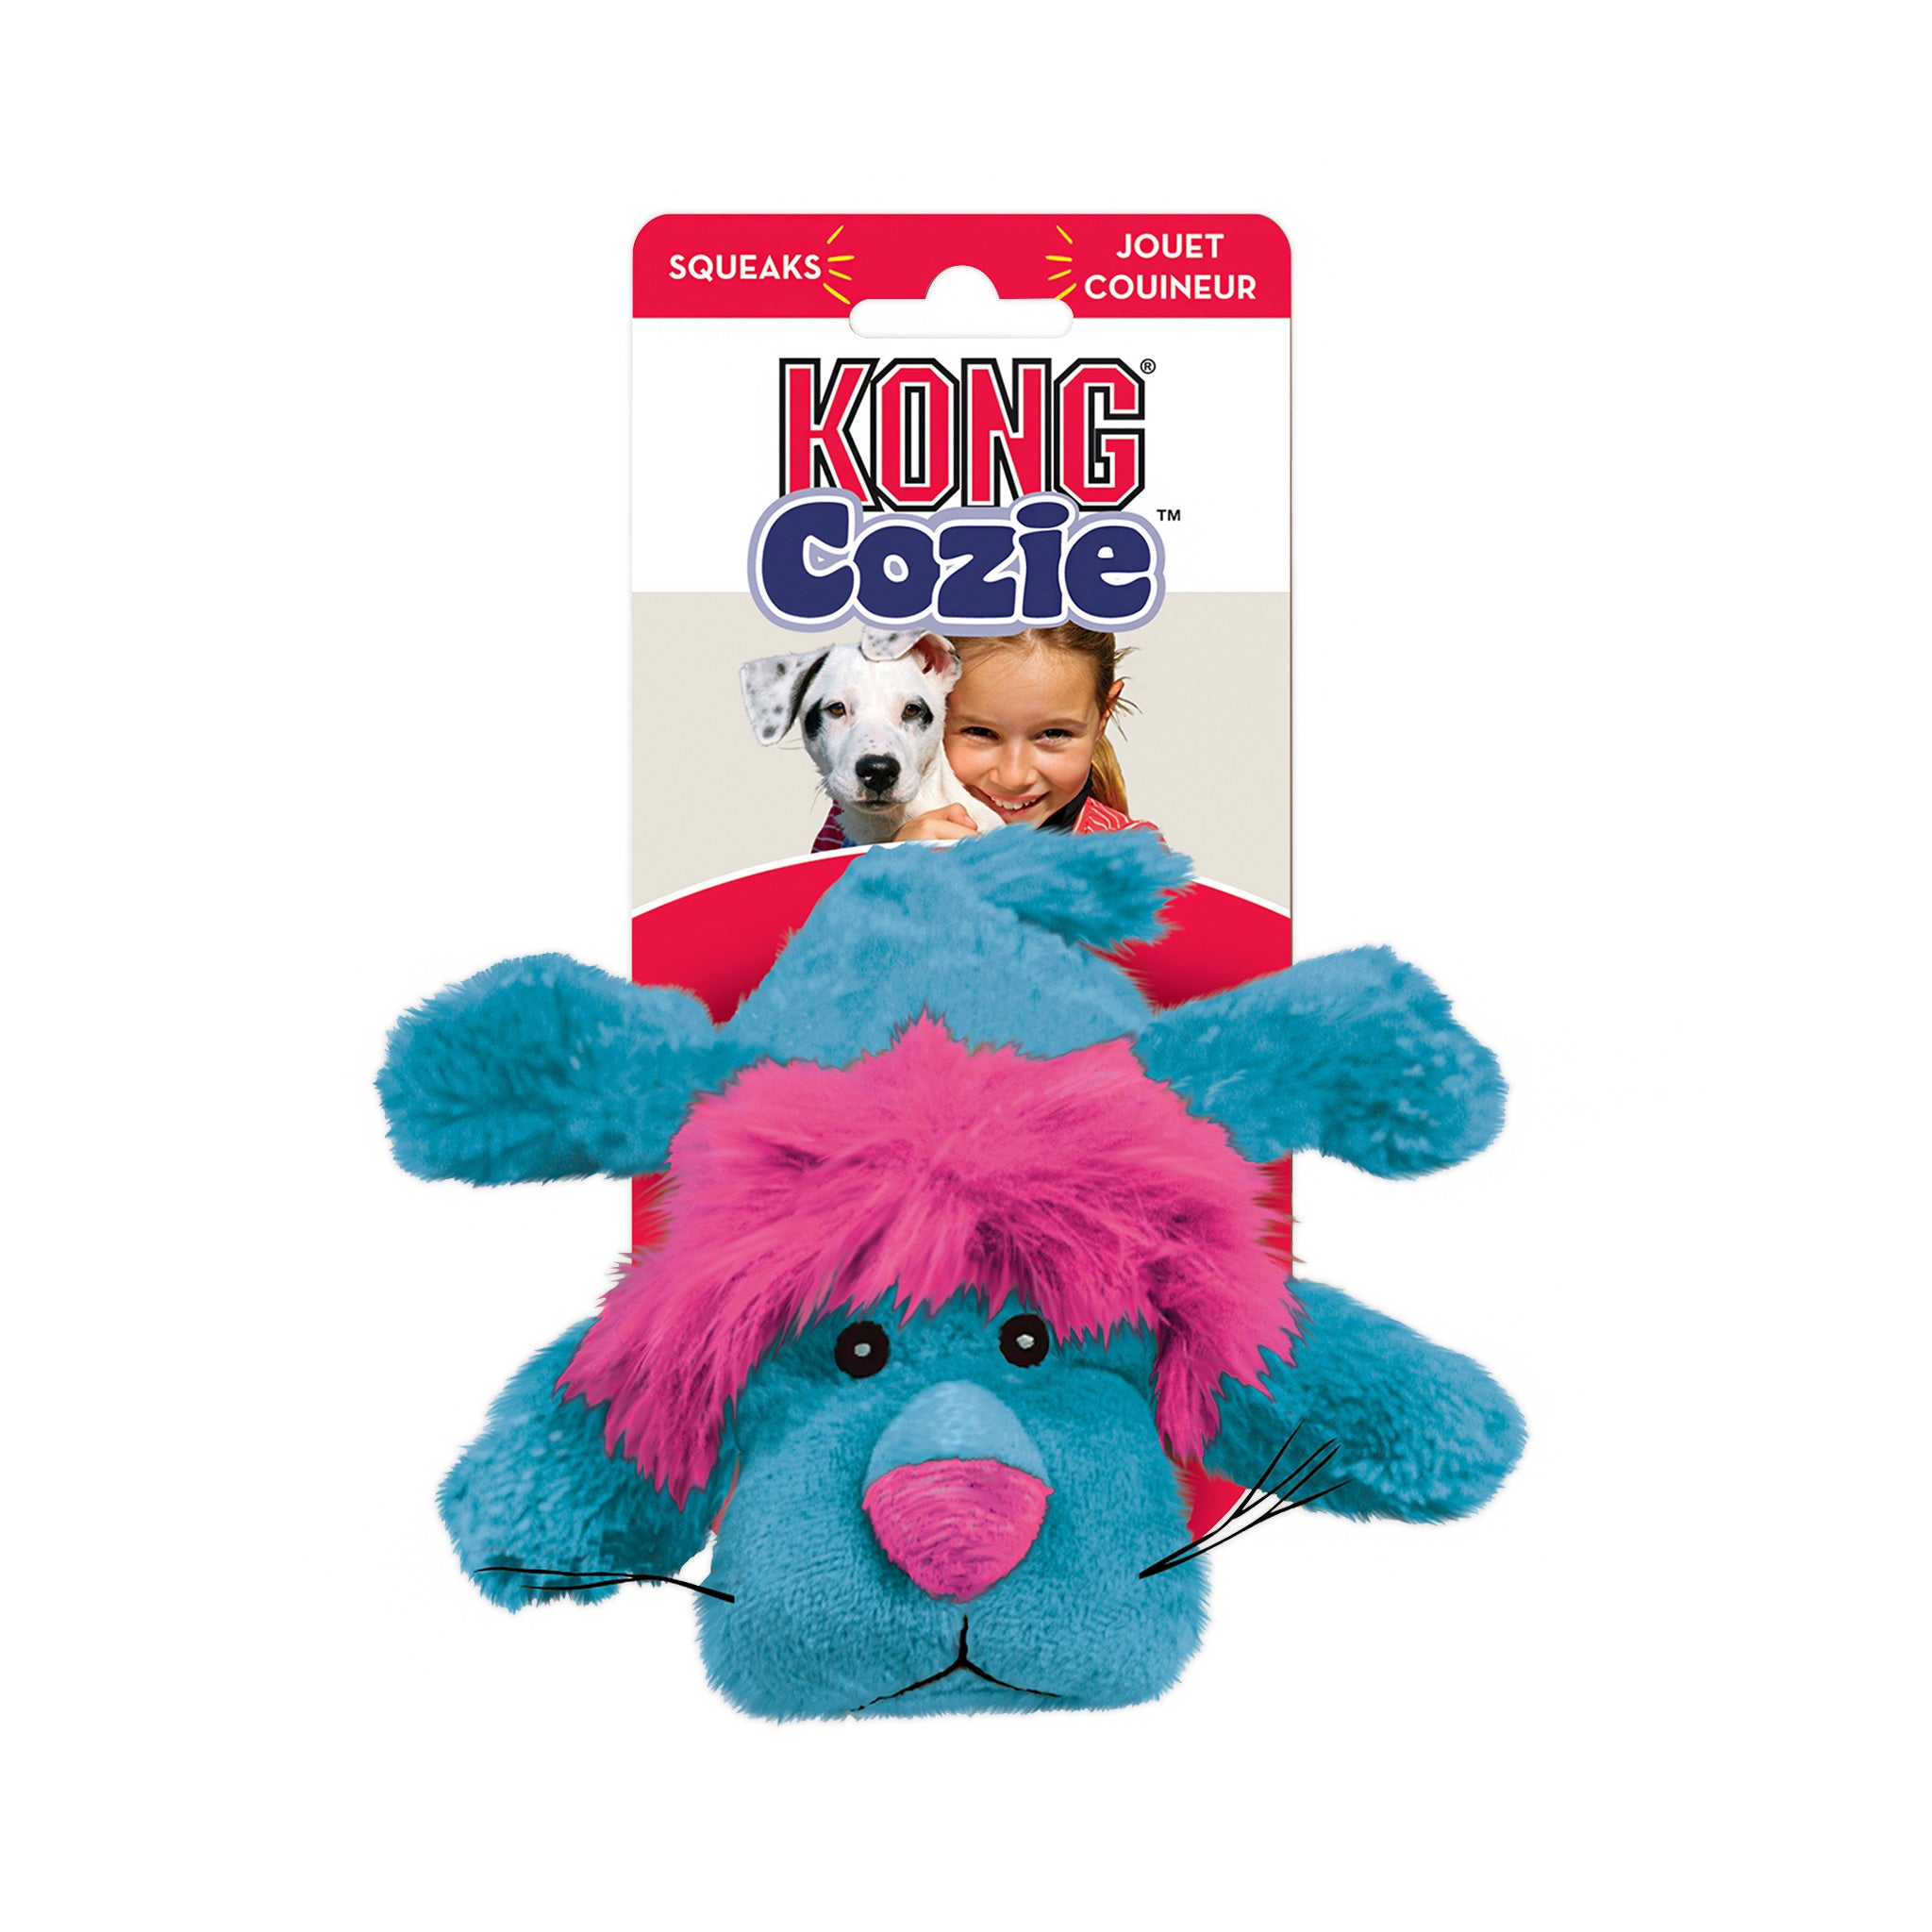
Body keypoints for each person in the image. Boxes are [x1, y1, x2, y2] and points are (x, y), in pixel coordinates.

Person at [809, 623, 1156, 850]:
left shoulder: (1130, 857)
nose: (1014, 776)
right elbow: (807, 937)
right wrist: (884, 865)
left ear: (1104, 715)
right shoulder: (854, 826)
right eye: (980, 732)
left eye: (1054, 733)